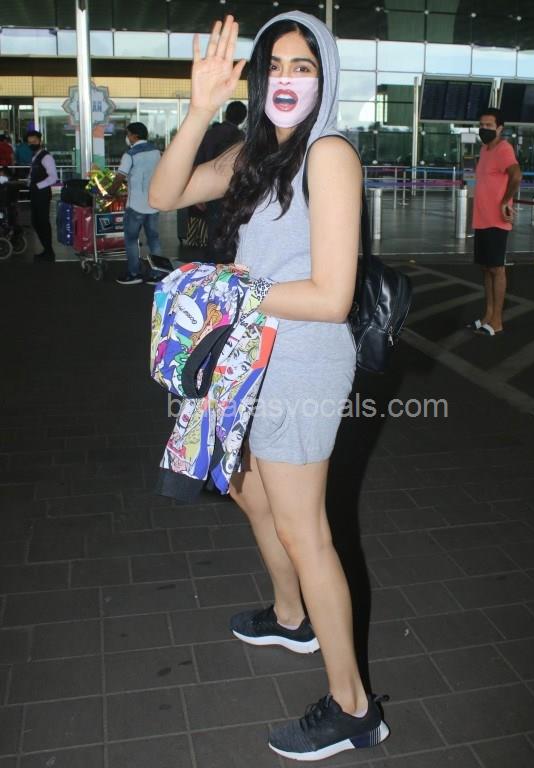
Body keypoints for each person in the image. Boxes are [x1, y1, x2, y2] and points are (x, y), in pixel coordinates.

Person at [149, 12, 389, 762]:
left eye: (302, 66)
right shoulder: (257, 153)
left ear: (325, 77)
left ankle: (353, 708)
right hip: (251, 351)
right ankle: (292, 618)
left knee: (303, 529)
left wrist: (225, 290)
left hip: (302, 360)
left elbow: (331, 296)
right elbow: (162, 193)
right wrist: (198, 109)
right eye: (274, 66)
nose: (286, 79)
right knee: (246, 486)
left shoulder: (329, 155)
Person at [468, 108, 521, 337]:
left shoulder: (503, 149)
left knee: (497, 269)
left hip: (496, 220)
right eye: (482, 125)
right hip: (482, 219)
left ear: (499, 128)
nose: (484, 129)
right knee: (486, 268)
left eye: (489, 125)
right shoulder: (484, 149)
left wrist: (505, 201)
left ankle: (497, 321)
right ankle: (488, 315)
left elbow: (516, 175)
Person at [108, 122, 169, 285]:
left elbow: (120, 177)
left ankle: (134, 273)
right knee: (154, 240)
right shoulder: (156, 152)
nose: (127, 137)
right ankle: (158, 274)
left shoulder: (130, 154)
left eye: (128, 134)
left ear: (135, 136)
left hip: (135, 206)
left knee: (131, 239)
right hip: (153, 204)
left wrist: (110, 192)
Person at [190, 100, 247, 260]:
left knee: (213, 232)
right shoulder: (241, 137)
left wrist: (197, 195)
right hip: (235, 192)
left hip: (210, 191)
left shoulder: (210, 134)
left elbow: (198, 161)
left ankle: (213, 267)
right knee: (233, 232)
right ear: (243, 118)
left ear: (226, 114)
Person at [26, 130, 58, 262]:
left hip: (42, 194)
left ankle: (49, 252)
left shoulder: (46, 157)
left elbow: (54, 177)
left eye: (34, 141)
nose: (32, 144)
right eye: (29, 142)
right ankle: (46, 249)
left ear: (40, 141)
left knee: (42, 222)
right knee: (36, 221)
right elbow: (32, 173)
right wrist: (28, 182)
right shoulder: (35, 157)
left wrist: (38, 186)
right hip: (35, 193)